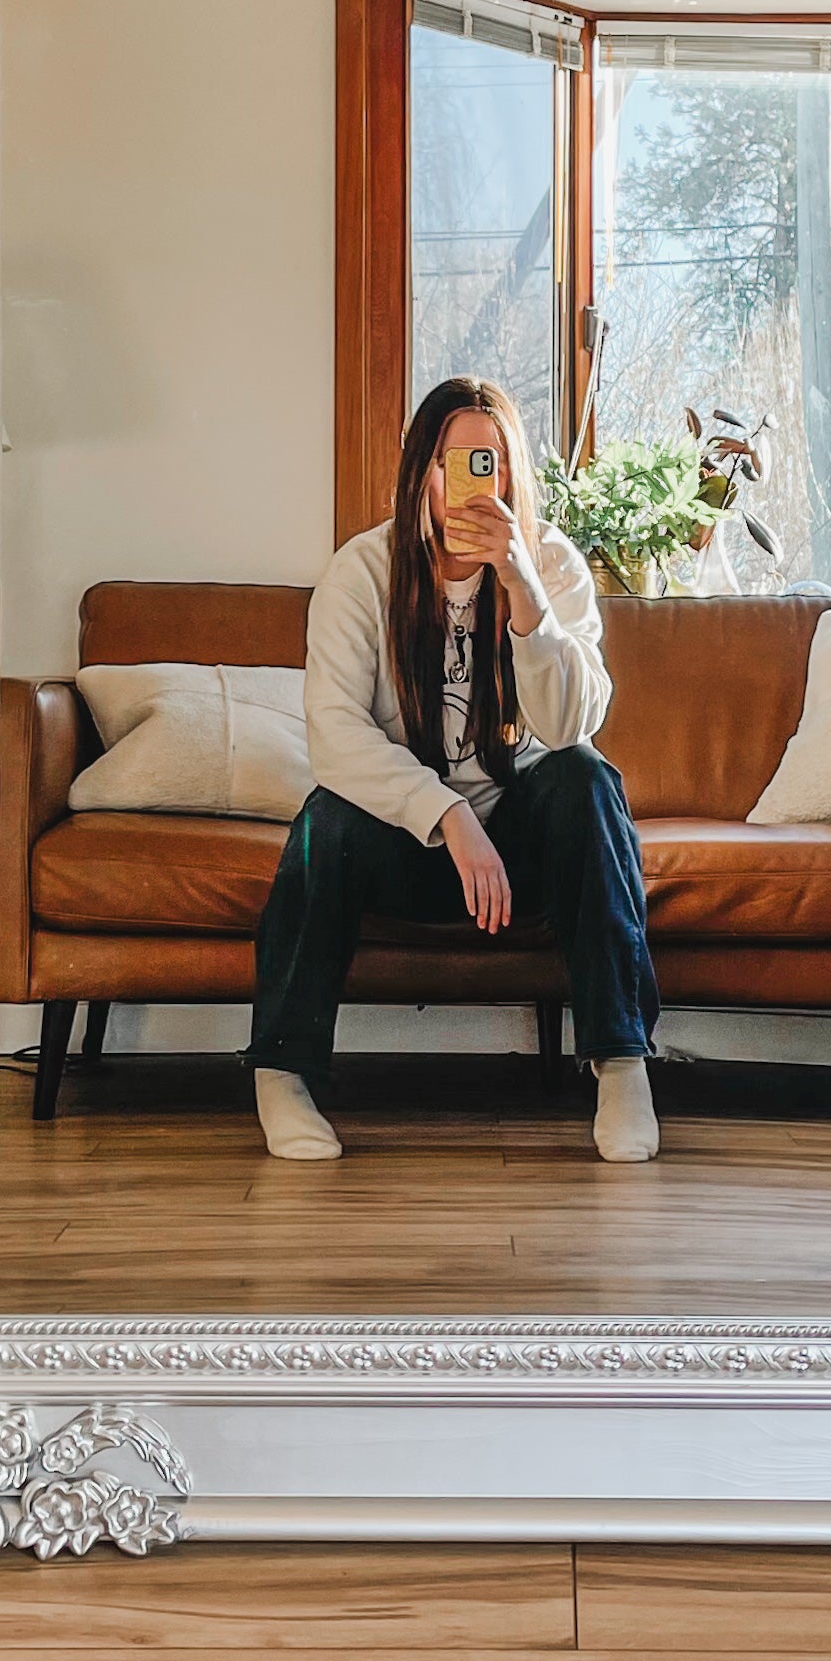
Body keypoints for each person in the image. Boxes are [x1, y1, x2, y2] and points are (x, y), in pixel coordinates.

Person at [248, 376, 659, 1162]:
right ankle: (281, 1073)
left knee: (590, 781)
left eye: (488, 459)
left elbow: (573, 724)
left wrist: (525, 590)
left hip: (528, 844)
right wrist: (448, 814)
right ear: (420, 473)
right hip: (414, 843)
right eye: (450, 460)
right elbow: (334, 733)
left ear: (509, 475)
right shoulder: (360, 573)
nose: (469, 480)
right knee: (321, 823)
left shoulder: (555, 568)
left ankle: (623, 1064)